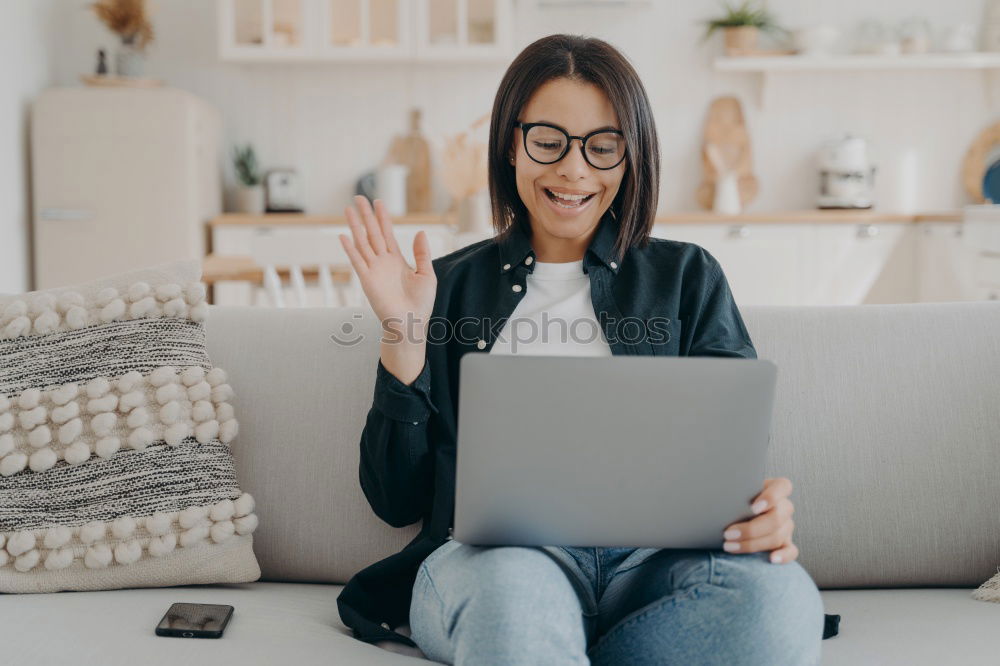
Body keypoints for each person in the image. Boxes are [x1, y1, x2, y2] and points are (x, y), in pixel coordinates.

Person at [336, 34, 826, 665]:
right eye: (548, 140)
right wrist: (402, 338)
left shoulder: (687, 277)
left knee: (779, 601)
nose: (574, 169)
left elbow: (729, 460)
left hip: (655, 568)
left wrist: (763, 508)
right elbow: (394, 501)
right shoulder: (444, 288)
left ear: (631, 157)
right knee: (517, 604)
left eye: (602, 146)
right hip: (499, 563)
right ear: (513, 144)